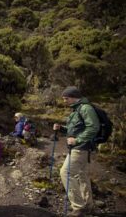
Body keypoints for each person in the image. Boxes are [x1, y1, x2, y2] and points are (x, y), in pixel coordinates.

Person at [53, 86, 98, 217]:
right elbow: (74, 129)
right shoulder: (76, 109)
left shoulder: (85, 108)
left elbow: (93, 127)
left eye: (66, 98)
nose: (64, 101)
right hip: (80, 148)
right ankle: (88, 206)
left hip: (80, 148)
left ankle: (78, 208)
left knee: (65, 172)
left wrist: (77, 140)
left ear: (73, 97)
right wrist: (61, 128)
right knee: (81, 175)